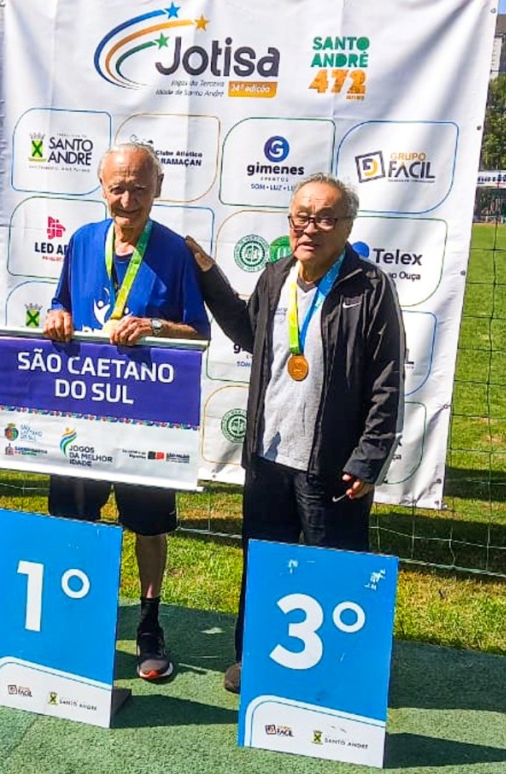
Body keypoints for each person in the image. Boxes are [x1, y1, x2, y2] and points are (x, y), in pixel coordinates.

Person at [186, 172, 405, 693]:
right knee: (265, 566)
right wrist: (209, 275)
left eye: (325, 218)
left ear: (348, 226)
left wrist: (369, 456)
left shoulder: (370, 288)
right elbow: (248, 331)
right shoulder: (276, 274)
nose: (310, 228)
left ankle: (339, 670)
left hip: (332, 464)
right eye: (301, 217)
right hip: (267, 456)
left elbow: (387, 378)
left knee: (335, 568)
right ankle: (257, 658)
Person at [44, 141, 210, 680]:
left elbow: (199, 333)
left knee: (147, 526)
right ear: (101, 187)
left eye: (139, 188)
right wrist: (57, 314)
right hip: (83, 414)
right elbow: (61, 302)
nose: (127, 199)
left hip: (147, 421)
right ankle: (80, 616)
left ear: (158, 187)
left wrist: (155, 326)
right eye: (117, 188)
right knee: (77, 520)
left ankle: (148, 623)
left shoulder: (175, 251)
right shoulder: (81, 241)